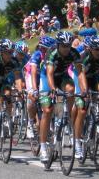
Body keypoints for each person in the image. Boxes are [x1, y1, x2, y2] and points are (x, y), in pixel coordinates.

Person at [39, 31, 86, 162]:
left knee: (71, 89)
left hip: (62, 77)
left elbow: (80, 72)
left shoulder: (74, 52)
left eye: (68, 45)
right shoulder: (52, 52)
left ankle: (65, 115)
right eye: (64, 46)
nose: (66, 49)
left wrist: (84, 89)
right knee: (47, 110)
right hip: (47, 78)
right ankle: (43, 148)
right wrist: (53, 89)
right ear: (58, 45)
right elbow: (49, 74)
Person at [24, 36, 56, 139]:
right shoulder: (37, 55)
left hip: (44, 77)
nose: (42, 50)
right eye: (41, 48)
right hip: (31, 75)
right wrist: (34, 89)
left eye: (45, 49)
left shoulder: (54, 56)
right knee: (32, 97)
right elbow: (33, 73)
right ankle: (30, 122)